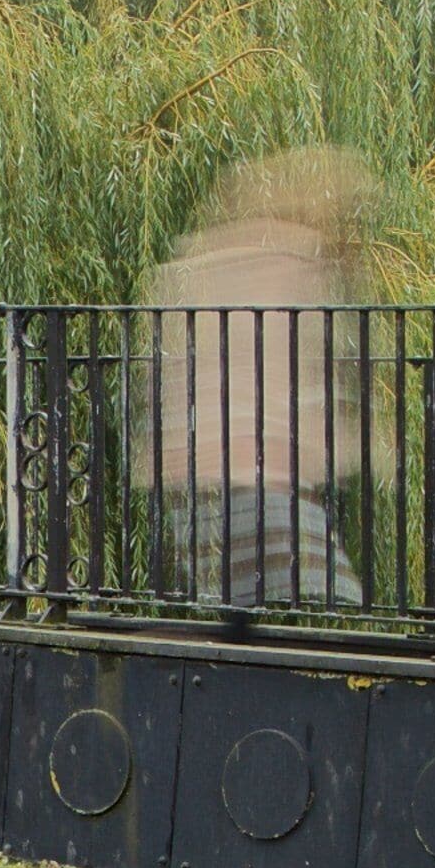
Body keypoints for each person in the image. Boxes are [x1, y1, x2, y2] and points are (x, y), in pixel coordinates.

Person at [139, 150, 372, 610]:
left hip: (223, 467)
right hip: (250, 465)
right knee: (322, 582)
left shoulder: (217, 257)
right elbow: (283, 368)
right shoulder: (284, 261)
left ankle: (230, 634)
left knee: (252, 584)